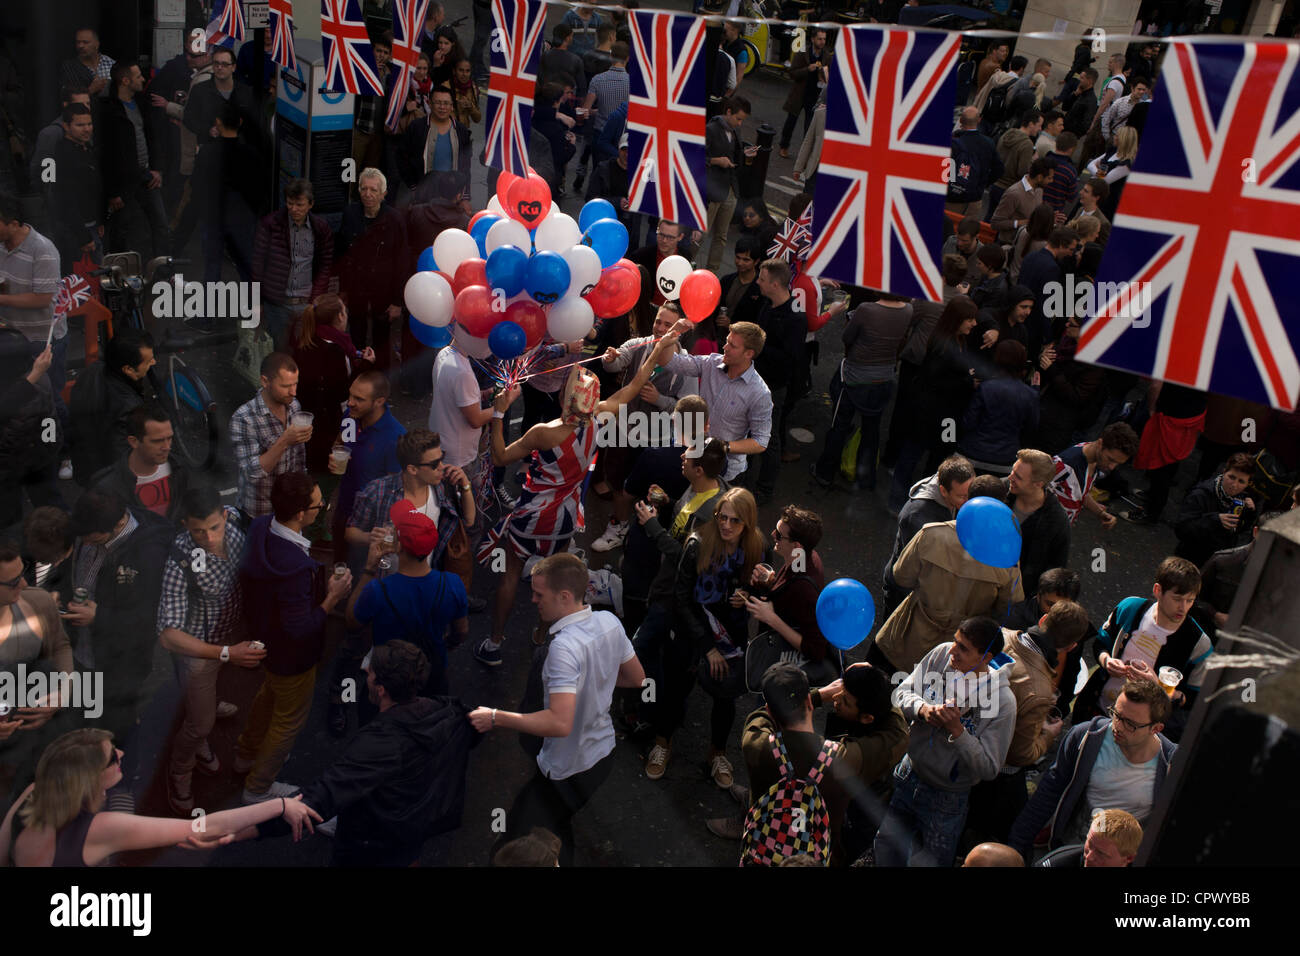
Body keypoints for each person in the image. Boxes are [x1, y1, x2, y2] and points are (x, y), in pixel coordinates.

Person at [474, 336, 677, 667]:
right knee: (553, 581)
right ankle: (541, 635)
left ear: (565, 398)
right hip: (566, 518)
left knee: (510, 575)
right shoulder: (599, 419)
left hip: (532, 516)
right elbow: (636, 382)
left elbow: (499, 457)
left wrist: (499, 412)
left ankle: (494, 643)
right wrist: (659, 347)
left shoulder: (545, 431)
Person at [226, 641, 478, 866]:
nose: (366, 673)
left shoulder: (378, 744)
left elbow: (320, 800)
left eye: (370, 673)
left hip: (371, 842)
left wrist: (234, 832)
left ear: (380, 689)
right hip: (414, 828)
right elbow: (478, 728)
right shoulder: (449, 712)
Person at [468, 553, 644, 866]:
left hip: (566, 766)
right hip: (601, 756)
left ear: (563, 596)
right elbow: (636, 678)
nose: (533, 600)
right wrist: (594, 682)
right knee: (556, 822)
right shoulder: (609, 622)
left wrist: (496, 717)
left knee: (523, 835)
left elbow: (559, 723)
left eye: (539, 594)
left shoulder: (563, 647)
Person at [0, 728, 320, 867]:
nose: (122, 753)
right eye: (113, 757)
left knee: (122, 798)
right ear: (88, 779)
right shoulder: (103, 828)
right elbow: (201, 828)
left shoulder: (33, 794)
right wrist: (279, 805)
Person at [236, 472, 353, 803]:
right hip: (293, 655)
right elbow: (301, 626)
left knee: (269, 696)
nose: (322, 509)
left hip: (267, 643)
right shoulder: (295, 568)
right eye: (319, 504)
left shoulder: (260, 528)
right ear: (301, 513)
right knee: (288, 721)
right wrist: (332, 597)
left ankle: (246, 751)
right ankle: (258, 786)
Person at [874, 617, 1017, 867]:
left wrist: (958, 733)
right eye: (955, 641)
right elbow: (900, 693)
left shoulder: (1003, 703)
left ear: (986, 657)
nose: (952, 650)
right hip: (909, 773)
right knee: (886, 846)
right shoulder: (941, 656)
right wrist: (923, 710)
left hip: (947, 798)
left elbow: (989, 767)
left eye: (963, 648)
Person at [157, 486, 258, 814]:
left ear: (225, 516)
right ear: (185, 524)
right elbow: (169, 636)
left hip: (235, 631)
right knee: (200, 723)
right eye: (198, 531)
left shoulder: (239, 526)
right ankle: (179, 770)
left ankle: (207, 715)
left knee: (214, 699)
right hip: (200, 650)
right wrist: (227, 653)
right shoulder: (181, 558)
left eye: (214, 527)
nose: (209, 538)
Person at [658, 487, 768, 786]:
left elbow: (763, 587)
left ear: (747, 523)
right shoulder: (697, 544)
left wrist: (748, 595)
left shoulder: (757, 547)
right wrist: (707, 647)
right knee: (676, 688)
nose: (726, 525)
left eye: (735, 521)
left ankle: (717, 752)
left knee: (725, 696)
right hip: (691, 630)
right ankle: (662, 742)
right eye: (722, 517)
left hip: (730, 634)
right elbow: (680, 598)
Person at [1008, 678, 1174, 862]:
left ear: (1156, 728)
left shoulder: (1171, 766)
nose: (1118, 727)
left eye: (1130, 724)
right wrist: (1017, 846)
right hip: (1073, 848)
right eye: (1116, 715)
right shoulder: (1085, 737)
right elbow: (1048, 793)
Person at [872, 475, 1024, 675]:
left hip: (911, 636)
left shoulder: (932, 534)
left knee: (884, 687)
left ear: (968, 500)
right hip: (961, 651)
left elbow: (901, 577)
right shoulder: (1007, 558)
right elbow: (1008, 607)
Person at [966, 600, 1089, 844]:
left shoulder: (998, 635)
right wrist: (1049, 735)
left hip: (957, 736)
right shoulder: (1040, 691)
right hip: (992, 773)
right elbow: (1020, 755)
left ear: (1043, 619)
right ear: (1072, 646)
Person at [590, 304, 698, 551]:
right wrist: (611, 359)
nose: (660, 328)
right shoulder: (637, 344)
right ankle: (618, 526)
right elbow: (615, 365)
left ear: (678, 330)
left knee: (650, 490)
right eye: (658, 321)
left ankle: (645, 533)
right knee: (617, 483)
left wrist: (659, 400)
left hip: (655, 440)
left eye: (667, 324)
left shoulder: (687, 365)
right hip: (621, 431)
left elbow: (687, 407)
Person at [66, 489, 171, 737]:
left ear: (118, 524)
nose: (85, 543)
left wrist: (98, 617)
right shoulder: (90, 526)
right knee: (85, 713)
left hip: (119, 662)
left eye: (93, 539)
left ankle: (115, 760)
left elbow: (147, 621)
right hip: (83, 650)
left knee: (113, 723)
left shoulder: (150, 555)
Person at [1072, 558, 1212, 741]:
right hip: (1095, 709)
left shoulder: (1199, 644)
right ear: (1157, 590)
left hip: (1138, 734)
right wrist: (1107, 661)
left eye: (1190, 600)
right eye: (1177, 599)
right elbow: (1101, 642)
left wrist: (1160, 688)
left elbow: (1194, 699)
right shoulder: (1130, 608)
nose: (1183, 608)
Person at [728, 663, 852, 862]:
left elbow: (759, 717)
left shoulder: (756, 744)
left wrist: (817, 695)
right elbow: (895, 737)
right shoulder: (843, 759)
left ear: (770, 709)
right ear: (809, 705)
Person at [347, 499, 469, 700]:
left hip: (387, 678)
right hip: (432, 673)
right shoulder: (452, 584)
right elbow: (461, 632)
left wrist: (369, 569)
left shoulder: (377, 590)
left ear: (398, 546)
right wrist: (446, 644)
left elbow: (352, 623)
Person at [810, 293, 913, 490]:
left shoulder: (867, 309)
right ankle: (866, 478)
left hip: (854, 377)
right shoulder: (908, 310)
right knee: (871, 430)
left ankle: (825, 472)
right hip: (884, 377)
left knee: (839, 425)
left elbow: (847, 337)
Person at [886, 297, 979, 511]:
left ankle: (916, 500)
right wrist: (967, 380)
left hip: (941, 415)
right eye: (970, 319)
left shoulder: (950, 339)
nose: (974, 324)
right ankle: (902, 501)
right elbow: (939, 382)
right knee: (916, 454)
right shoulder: (945, 346)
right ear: (957, 320)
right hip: (933, 414)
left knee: (929, 456)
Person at [743, 505, 836, 683]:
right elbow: (790, 589)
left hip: (782, 675)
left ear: (796, 545)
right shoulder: (805, 557)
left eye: (779, 535)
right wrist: (771, 583)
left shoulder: (805, 588)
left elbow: (815, 650)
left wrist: (771, 618)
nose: (772, 535)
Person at [882, 455, 974, 616]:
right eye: (962, 496)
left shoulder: (952, 489)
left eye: (970, 493)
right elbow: (925, 565)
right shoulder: (918, 516)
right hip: (905, 591)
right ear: (943, 490)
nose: (969, 501)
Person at [290, 296, 374, 474]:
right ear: (340, 317)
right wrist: (366, 365)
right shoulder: (335, 350)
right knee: (338, 463)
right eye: (344, 311)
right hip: (333, 421)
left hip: (311, 418)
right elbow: (344, 392)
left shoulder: (306, 340)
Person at [335, 168, 407, 371]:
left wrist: (397, 302)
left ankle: (380, 380)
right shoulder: (350, 214)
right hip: (356, 289)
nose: (368, 194)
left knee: (382, 339)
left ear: (383, 194)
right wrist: (343, 289)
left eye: (373, 190)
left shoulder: (394, 220)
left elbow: (402, 261)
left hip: (383, 291)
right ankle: (357, 373)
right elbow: (343, 253)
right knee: (355, 333)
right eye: (364, 189)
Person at [66, 328, 156, 486]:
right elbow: (121, 452)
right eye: (148, 361)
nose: (154, 362)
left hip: (85, 465)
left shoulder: (91, 372)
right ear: (128, 369)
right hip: (108, 482)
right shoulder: (129, 406)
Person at [251, 179, 334, 348]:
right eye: (290, 203)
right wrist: (257, 302)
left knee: (306, 352)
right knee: (280, 352)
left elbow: (325, 265)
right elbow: (258, 265)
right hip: (278, 304)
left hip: (307, 303)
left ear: (311, 204)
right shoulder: (270, 224)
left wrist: (316, 299)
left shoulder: (320, 228)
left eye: (299, 204)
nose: (293, 209)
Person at [230, 353, 311, 522]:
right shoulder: (244, 418)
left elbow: (298, 459)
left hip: (289, 509)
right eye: (286, 386)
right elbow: (252, 473)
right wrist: (284, 440)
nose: (294, 392)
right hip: (260, 512)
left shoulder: (294, 406)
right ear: (265, 381)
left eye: (295, 383)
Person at [190, 101, 263, 287]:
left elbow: (196, 185)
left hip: (213, 217)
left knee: (212, 268)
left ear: (217, 122)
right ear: (240, 122)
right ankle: (253, 312)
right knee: (247, 266)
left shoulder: (207, 153)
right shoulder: (250, 154)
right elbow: (257, 190)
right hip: (242, 218)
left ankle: (207, 314)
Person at [100, 62, 169, 258]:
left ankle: (163, 271)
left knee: (161, 225)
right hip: (124, 180)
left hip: (146, 174)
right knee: (122, 229)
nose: (143, 79)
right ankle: (120, 277)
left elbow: (153, 137)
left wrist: (157, 169)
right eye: (138, 76)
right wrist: (113, 192)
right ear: (125, 80)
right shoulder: (109, 110)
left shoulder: (142, 104)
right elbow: (106, 153)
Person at [752, 258, 807, 500]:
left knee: (769, 437)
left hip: (774, 385)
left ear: (774, 284)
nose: (758, 282)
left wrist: (758, 347)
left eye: (762, 279)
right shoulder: (768, 304)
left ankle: (765, 489)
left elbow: (790, 357)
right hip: (755, 377)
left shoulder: (795, 317)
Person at [332, 370, 405, 549]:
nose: (350, 402)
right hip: (343, 508)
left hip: (368, 523)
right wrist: (335, 455)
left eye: (359, 399)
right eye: (350, 395)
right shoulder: (350, 417)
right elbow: (341, 442)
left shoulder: (395, 438)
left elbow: (396, 490)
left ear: (379, 401)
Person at [90, 404, 192, 524]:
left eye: (169, 438)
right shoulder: (107, 486)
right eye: (157, 441)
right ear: (134, 442)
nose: (167, 447)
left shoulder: (179, 468)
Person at [958, 342, 1039, 475]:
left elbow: (968, 422)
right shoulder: (1030, 395)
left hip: (972, 454)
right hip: (1005, 460)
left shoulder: (986, 387)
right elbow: (1031, 429)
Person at [46, 103, 104, 272]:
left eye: (89, 124)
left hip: (91, 225)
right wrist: (83, 237)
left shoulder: (86, 148)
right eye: (80, 125)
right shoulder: (63, 154)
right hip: (76, 232)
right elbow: (64, 199)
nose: (87, 129)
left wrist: (100, 219)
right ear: (66, 126)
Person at [1174, 453, 1258, 569]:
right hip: (1189, 560)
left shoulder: (1242, 499)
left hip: (1215, 564)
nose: (1234, 485)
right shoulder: (1201, 494)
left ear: (1248, 484)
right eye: (1232, 477)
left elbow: (1238, 531)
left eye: (1241, 481)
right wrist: (1215, 520)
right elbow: (1182, 528)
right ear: (1224, 472)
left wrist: (1249, 514)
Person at [1048, 422, 1139, 526]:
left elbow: (1080, 493)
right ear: (1100, 444)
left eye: (1118, 463)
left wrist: (1099, 512)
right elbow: (1032, 492)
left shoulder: (1094, 459)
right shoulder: (1065, 464)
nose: (1112, 467)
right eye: (1110, 459)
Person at [1200, 513, 1278, 629]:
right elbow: (1192, 597)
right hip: (1210, 632)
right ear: (1256, 532)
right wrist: (1215, 615)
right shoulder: (1223, 561)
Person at [702, 96, 753, 273]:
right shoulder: (711, 129)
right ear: (728, 112)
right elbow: (697, 156)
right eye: (738, 119)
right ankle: (687, 264)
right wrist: (717, 161)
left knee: (721, 236)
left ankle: (711, 272)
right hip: (712, 190)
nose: (740, 124)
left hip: (730, 189)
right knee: (701, 233)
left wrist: (745, 154)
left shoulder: (735, 131)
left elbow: (735, 155)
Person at [779, 29, 832, 157]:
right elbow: (792, 72)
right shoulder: (803, 52)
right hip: (800, 93)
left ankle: (805, 153)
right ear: (813, 39)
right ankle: (784, 146)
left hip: (815, 95)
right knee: (791, 121)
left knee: (809, 127)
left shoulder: (826, 56)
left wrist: (825, 75)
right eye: (819, 39)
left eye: (824, 39)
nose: (822, 42)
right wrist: (807, 69)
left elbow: (830, 75)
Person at [988, 109, 1044, 224]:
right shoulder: (1027, 144)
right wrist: (1033, 161)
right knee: (1000, 222)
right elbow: (1022, 171)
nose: (1040, 129)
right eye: (1039, 125)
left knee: (989, 217)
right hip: (1009, 188)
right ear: (1031, 124)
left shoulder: (1007, 134)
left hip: (995, 183)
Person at [1036, 808, 1143, 867]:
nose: (1089, 857)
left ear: (1129, 858)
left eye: (1101, 853)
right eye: (1090, 845)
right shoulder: (1055, 865)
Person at [946, 107, 1002, 217]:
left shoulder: (955, 142)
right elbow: (999, 170)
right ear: (979, 120)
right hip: (974, 201)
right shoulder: (988, 144)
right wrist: (982, 183)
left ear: (961, 121)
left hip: (952, 199)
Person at [991, 155, 1053, 243]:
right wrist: (1021, 223)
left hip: (1024, 244)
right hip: (1007, 244)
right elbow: (995, 223)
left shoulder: (1039, 190)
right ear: (1039, 177)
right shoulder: (1014, 193)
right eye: (1049, 178)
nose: (1052, 181)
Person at [60, 28, 115, 97]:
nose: (80, 46)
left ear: (97, 44)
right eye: (78, 42)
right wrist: (91, 90)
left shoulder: (110, 63)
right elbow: (69, 98)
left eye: (85, 42)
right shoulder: (69, 67)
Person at [1073, 179, 1112, 245]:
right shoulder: (1080, 209)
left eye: (1086, 191)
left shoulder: (1103, 223)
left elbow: (1101, 248)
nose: (1080, 192)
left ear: (1096, 197)